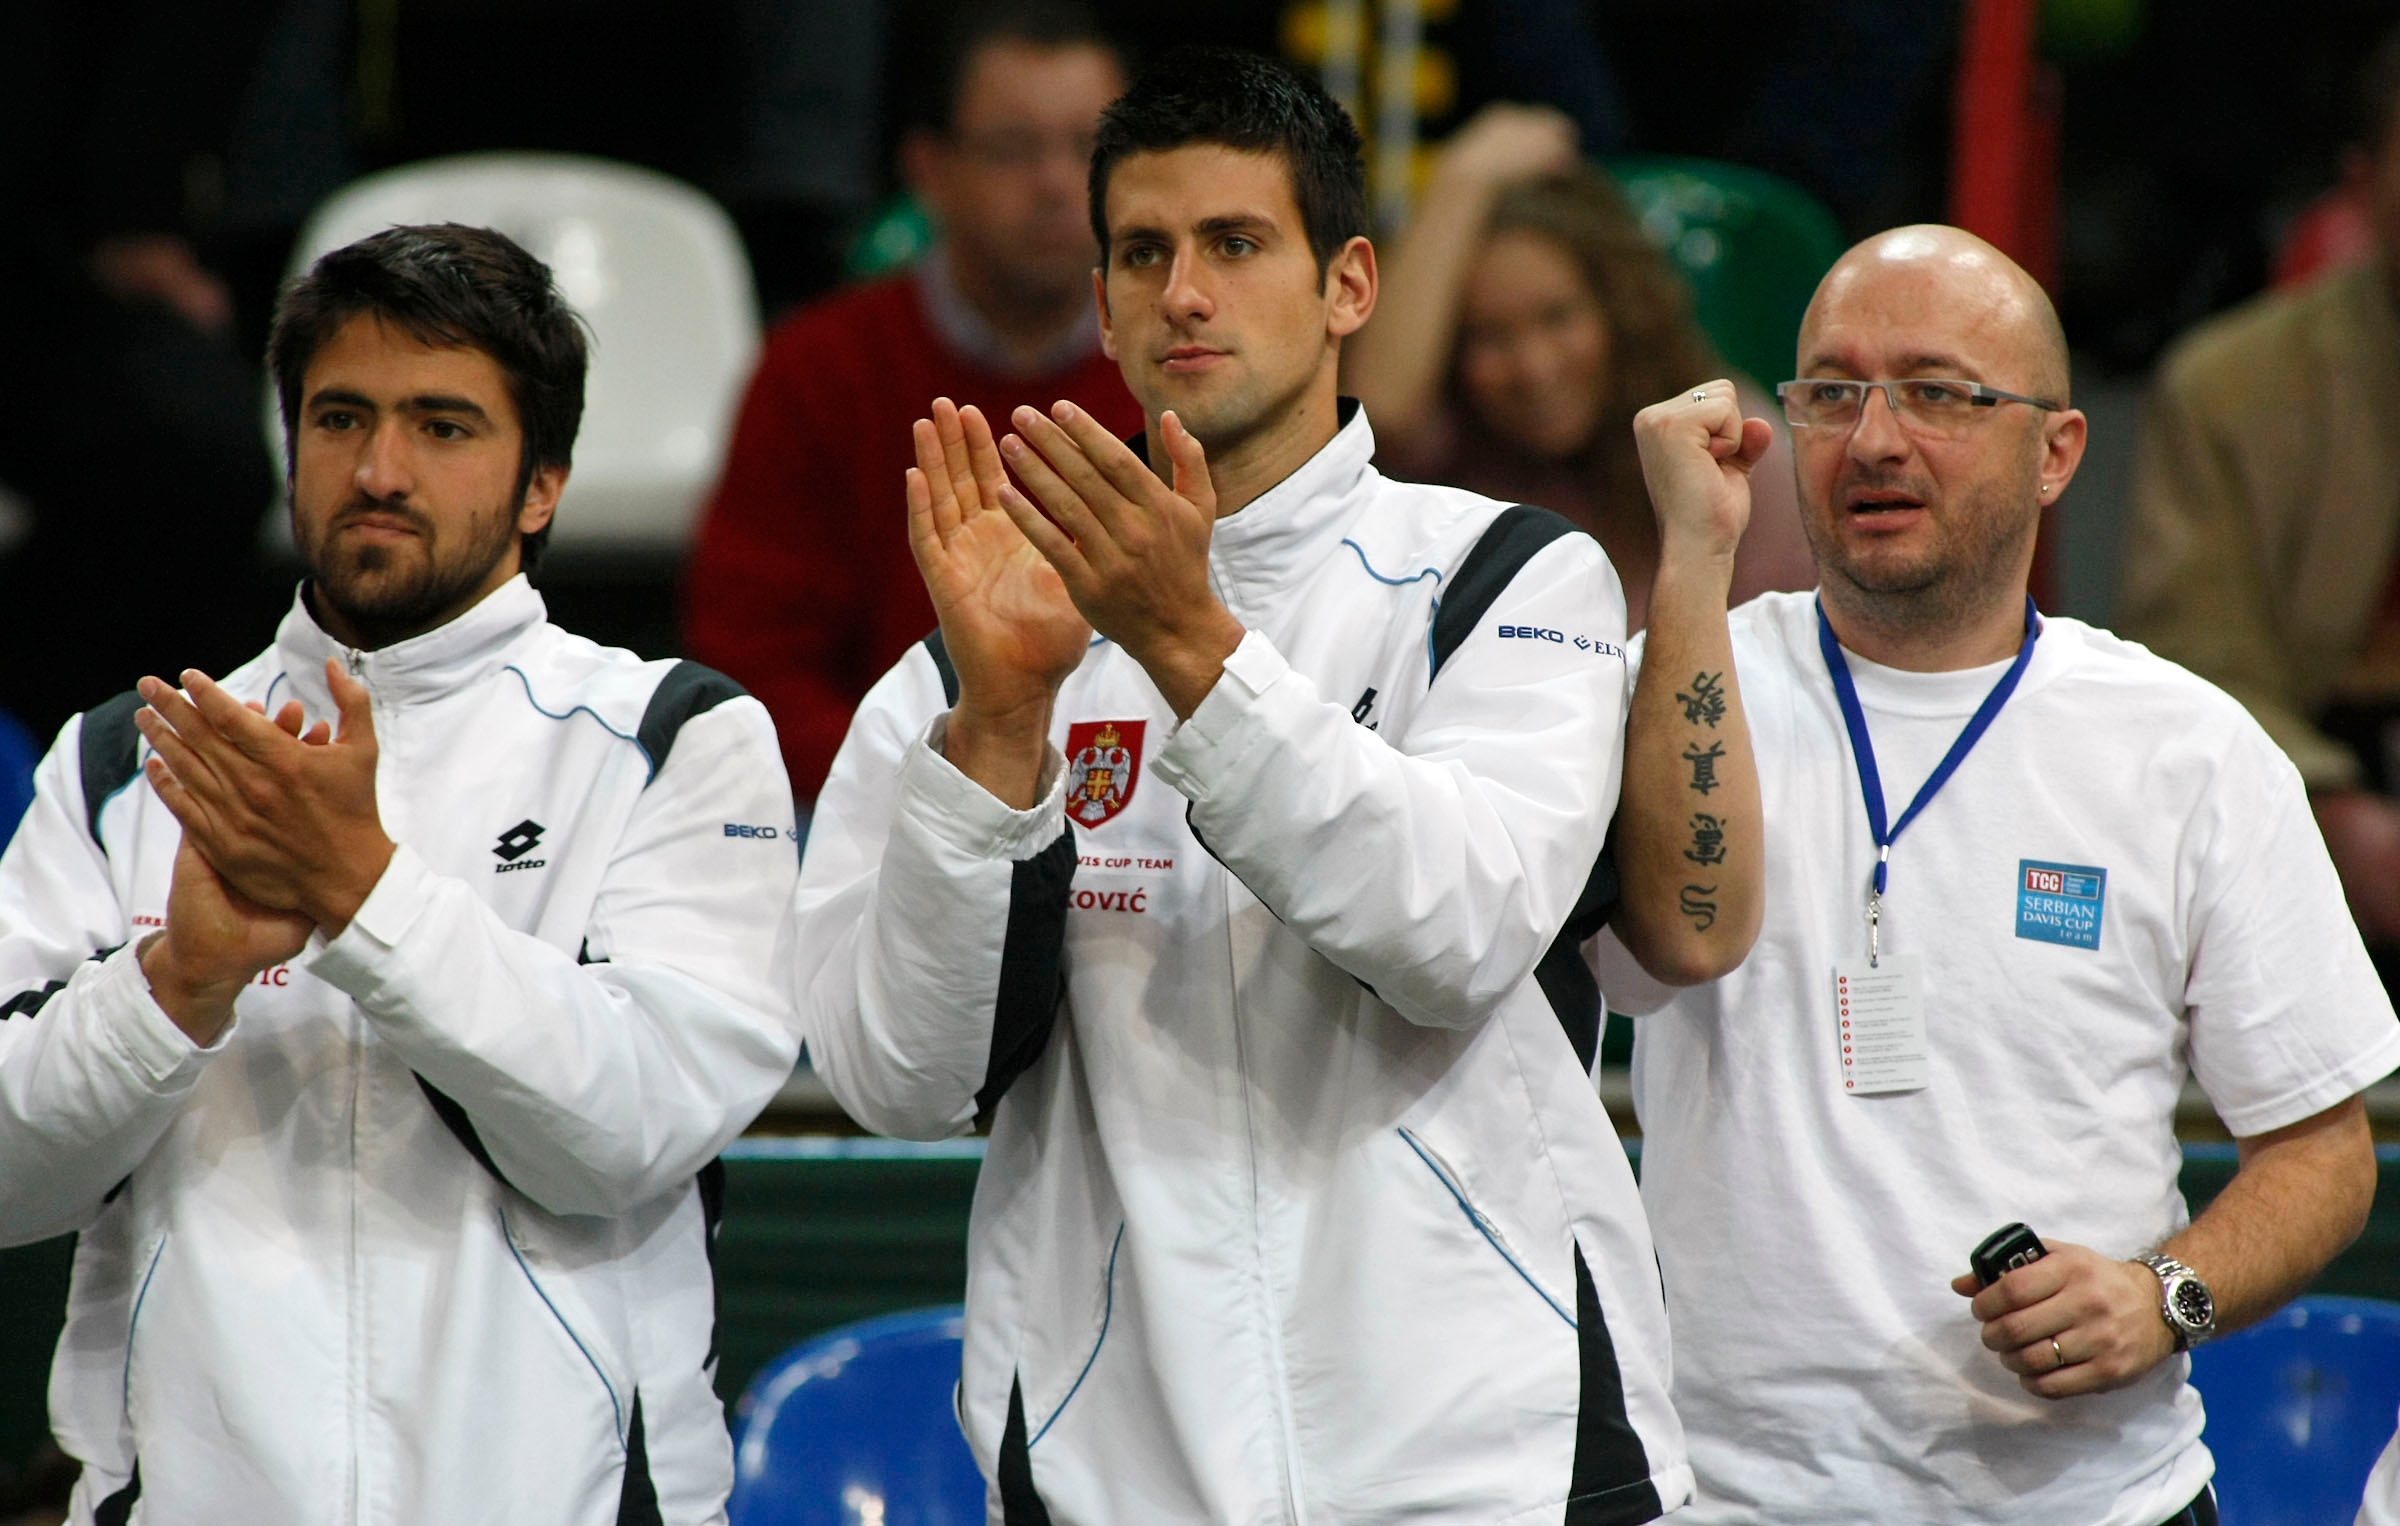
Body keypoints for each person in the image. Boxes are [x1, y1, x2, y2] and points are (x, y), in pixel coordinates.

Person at [794, 47, 1736, 1523]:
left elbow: (1457, 928)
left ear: (1348, 283)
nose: (1184, 292)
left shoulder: (1498, 578)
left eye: (1236, 245)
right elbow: (896, 1075)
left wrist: (1184, 645)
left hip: (1489, 1456)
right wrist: (1000, 728)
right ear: (1099, 302)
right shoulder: (980, 652)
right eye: (1144, 253)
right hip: (1118, 1463)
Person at [1598, 224, 2400, 1524]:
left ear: (2059, 452)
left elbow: (2322, 1148)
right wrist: (1690, 560)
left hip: (2093, 1500)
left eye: (1939, 392)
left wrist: (2163, 1295)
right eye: (1831, 391)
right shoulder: (1681, 692)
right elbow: (1631, 949)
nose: (1873, 438)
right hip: (1726, 1498)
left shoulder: (2184, 750)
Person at [0, 224, 799, 1523]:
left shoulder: (676, 737)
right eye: (340, 417)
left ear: (542, 480)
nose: (378, 467)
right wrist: (177, 980)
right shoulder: (122, 760)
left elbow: (634, 1122)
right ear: (290, 444)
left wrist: (364, 897)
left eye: (442, 424)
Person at [683, 0, 1142, 804]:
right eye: (1013, 148)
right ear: (929, 169)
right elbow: (749, 670)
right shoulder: (816, 372)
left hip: (1139, 826)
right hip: (870, 815)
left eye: (1090, 148)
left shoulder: (1178, 367)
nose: (1057, 183)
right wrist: (954, 790)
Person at [2116, 27, 2400, 977]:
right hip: (2313, 773)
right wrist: (2336, 812)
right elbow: (2194, 653)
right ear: (2362, 185)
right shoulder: (2228, 386)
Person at [1343, 102, 1814, 631]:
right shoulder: (1456, 450)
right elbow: (1379, 407)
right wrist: (1462, 179)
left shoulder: (1728, 441)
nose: (1535, 368)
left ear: (1620, 310)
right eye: (1490, 337)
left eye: (1558, 317)